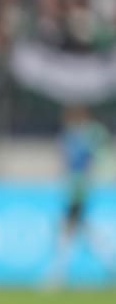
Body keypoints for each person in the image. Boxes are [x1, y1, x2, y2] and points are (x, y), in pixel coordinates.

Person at [44, 104, 114, 288]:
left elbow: (98, 150)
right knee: (84, 231)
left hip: (78, 188)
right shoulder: (72, 137)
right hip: (74, 187)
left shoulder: (85, 135)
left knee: (67, 229)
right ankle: (108, 264)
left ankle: (56, 274)